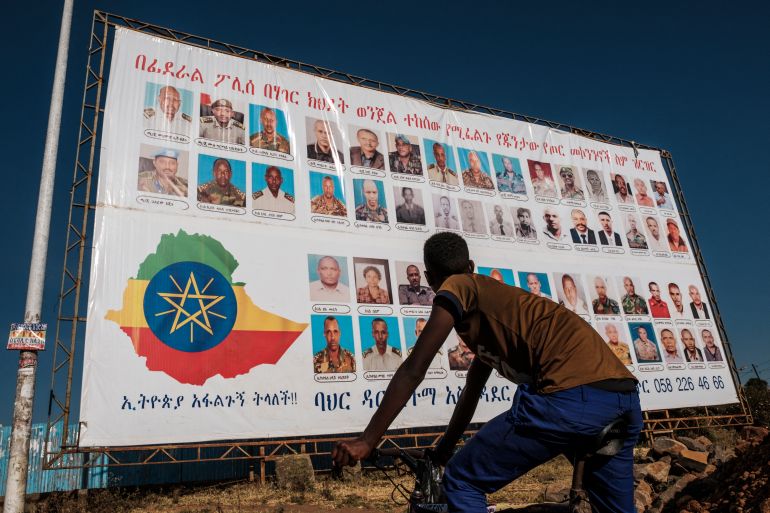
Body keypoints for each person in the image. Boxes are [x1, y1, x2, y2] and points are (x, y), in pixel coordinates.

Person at [332, 232, 641, 513]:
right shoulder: (495, 307)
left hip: (568, 396)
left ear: (430, 279)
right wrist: (443, 452)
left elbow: (414, 369)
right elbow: (471, 391)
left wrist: (367, 440)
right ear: (472, 265)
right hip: (622, 399)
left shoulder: (457, 285)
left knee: (461, 481)